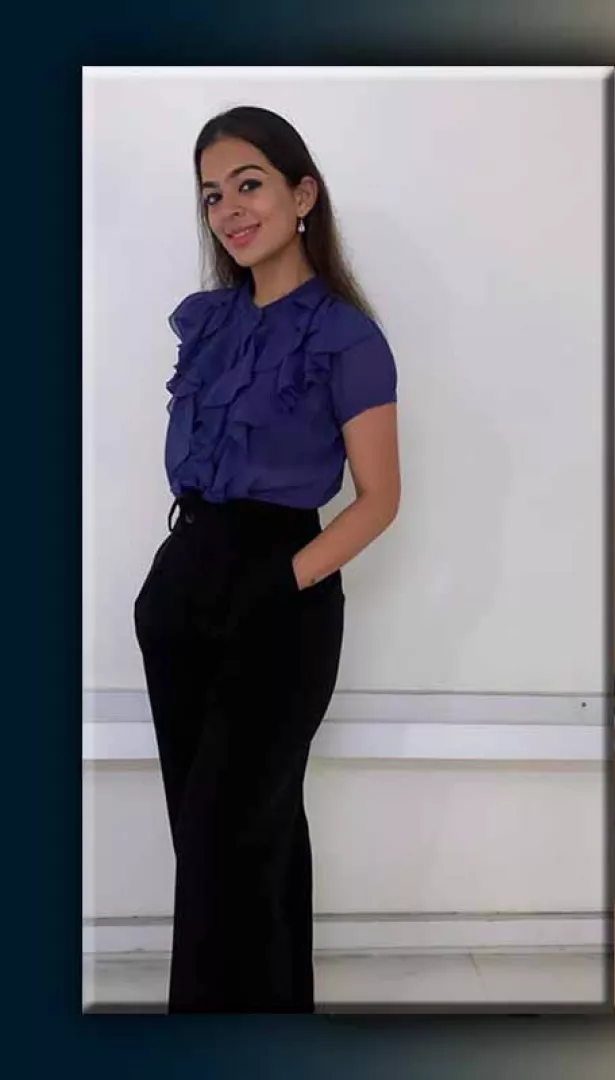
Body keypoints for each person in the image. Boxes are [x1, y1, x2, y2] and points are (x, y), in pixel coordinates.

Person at [133, 106, 401, 1011]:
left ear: (302, 194)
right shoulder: (208, 325)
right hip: (184, 581)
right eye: (213, 196)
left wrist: (282, 581)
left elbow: (379, 500)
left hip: (281, 587)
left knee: (232, 841)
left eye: (249, 184)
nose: (230, 210)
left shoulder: (347, 337)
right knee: (226, 843)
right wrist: (178, 585)